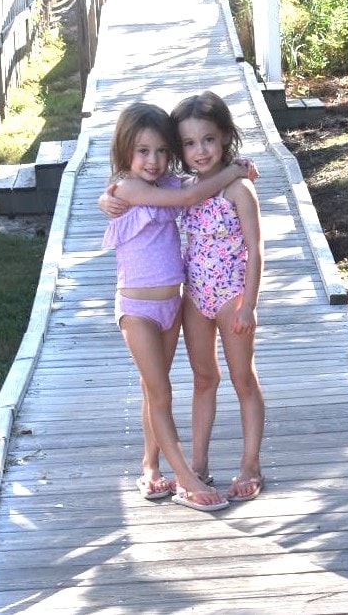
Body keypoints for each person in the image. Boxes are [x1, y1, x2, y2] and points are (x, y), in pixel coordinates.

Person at [100, 101, 252, 512]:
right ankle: (185, 476)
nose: (154, 160)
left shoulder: (168, 184)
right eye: (143, 151)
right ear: (124, 151)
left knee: (156, 391)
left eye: (163, 151)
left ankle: (150, 467)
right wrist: (232, 171)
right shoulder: (127, 187)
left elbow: (194, 187)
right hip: (137, 310)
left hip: (172, 304)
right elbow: (193, 195)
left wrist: (234, 170)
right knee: (161, 390)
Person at [170, 91, 265, 501]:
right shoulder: (188, 187)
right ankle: (199, 464)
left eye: (208, 139)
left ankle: (250, 464)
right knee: (204, 378)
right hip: (196, 296)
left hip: (231, 295)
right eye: (189, 143)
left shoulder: (239, 191)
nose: (200, 150)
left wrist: (250, 302)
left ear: (225, 135)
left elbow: (256, 249)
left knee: (243, 379)